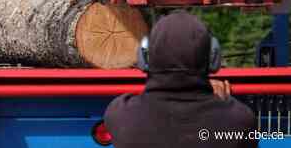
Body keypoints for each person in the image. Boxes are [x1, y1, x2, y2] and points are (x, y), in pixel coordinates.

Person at [104, 11, 258, 148]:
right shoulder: (240, 121)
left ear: (145, 57)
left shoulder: (120, 115)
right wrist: (223, 102)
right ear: (212, 57)